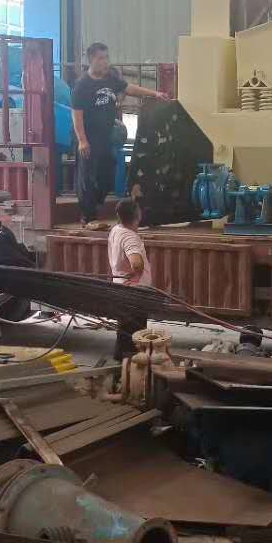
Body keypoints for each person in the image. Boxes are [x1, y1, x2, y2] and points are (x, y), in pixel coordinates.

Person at [70, 42, 168, 226]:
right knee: (87, 178)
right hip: (88, 138)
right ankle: (88, 217)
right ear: (91, 60)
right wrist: (82, 140)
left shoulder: (110, 79)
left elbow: (129, 88)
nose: (105, 62)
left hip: (106, 137)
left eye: (106, 57)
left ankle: (96, 204)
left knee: (107, 174)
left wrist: (154, 94)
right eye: (101, 58)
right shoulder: (82, 86)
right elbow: (77, 115)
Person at [108, 197, 152, 359]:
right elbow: (136, 263)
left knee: (125, 329)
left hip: (122, 287)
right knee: (134, 333)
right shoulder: (129, 237)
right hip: (134, 292)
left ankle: (121, 360)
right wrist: (136, 277)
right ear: (138, 215)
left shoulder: (116, 230)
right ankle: (131, 364)